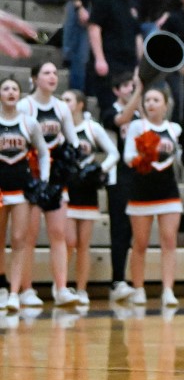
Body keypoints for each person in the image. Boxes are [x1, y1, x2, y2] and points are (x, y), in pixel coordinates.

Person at [17, 61, 83, 308]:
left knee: (59, 234)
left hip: (55, 177)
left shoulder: (61, 108)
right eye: (46, 72)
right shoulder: (25, 106)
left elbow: (73, 140)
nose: (52, 76)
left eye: (55, 73)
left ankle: (61, 288)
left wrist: (74, 159)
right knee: (29, 235)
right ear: (35, 78)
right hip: (31, 176)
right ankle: (26, 289)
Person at [122, 85, 183, 308]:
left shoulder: (175, 129)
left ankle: (167, 290)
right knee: (140, 243)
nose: (150, 104)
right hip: (142, 189)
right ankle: (138, 289)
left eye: (156, 100)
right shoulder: (138, 126)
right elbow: (127, 156)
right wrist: (143, 157)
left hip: (168, 191)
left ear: (166, 105)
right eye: (147, 100)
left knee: (169, 241)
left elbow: (179, 160)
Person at [61, 89, 119, 307]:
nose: (63, 103)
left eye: (68, 100)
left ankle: (82, 289)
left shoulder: (92, 128)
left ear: (80, 105)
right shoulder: (59, 129)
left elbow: (114, 153)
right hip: (66, 189)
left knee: (83, 244)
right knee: (68, 243)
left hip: (87, 191)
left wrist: (99, 170)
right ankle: (62, 287)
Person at [0, 75, 50, 313]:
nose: (11, 92)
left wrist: (44, 179)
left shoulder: (29, 123)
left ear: (19, 94)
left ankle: (13, 292)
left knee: (19, 240)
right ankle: (1, 287)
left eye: (14, 89)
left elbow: (42, 152)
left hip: (21, 188)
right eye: (6, 88)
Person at [99, 72, 140, 302]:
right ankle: (117, 281)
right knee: (120, 231)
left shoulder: (139, 112)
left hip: (139, 177)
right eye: (125, 86)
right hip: (118, 178)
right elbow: (121, 120)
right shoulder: (109, 112)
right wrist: (140, 91)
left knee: (137, 232)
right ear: (116, 90)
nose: (129, 90)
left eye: (132, 86)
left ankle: (135, 282)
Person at [87, 0, 143, 100]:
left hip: (129, 63)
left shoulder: (134, 5)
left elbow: (137, 35)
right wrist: (100, 59)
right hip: (110, 61)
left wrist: (140, 63)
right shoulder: (105, 0)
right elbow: (94, 28)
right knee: (110, 105)